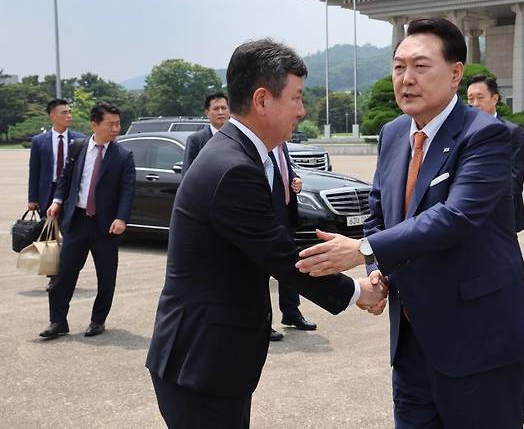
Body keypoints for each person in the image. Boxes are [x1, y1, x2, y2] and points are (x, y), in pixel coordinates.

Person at [296, 18, 524, 428]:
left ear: (455, 73)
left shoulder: (486, 135)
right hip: (412, 343)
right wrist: (378, 275)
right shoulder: (394, 133)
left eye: (420, 66)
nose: (406, 79)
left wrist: (362, 251)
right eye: (398, 67)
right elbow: (379, 212)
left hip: (479, 342)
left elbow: (455, 216)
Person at [145, 39, 387, 428]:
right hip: (201, 363)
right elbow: (280, 255)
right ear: (262, 100)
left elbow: (268, 238)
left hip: (211, 360)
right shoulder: (234, 167)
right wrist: (359, 290)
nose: (302, 110)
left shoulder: (237, 154)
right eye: (296, 98)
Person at [39, 103, 136, 339]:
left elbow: (128, 190)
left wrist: (121, 217)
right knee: (63, 273)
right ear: (94, 124)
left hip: (105, 226)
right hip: (77, 221)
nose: (115, 128)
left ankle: (97, 320)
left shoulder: (123, 156)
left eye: (117, 124)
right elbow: (65, 178)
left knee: (106, 275)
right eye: (110, 124)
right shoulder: (78, 147)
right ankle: (58, 321)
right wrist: (58, 200)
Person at [28, 99, 86, 290]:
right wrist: (32, 199)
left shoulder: (79, 140)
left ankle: (68, 272)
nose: (69, 116)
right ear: (52, 116)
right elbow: (34, 171)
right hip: (48, 191)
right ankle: (53, 276)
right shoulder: (39, 141)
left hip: (70, 193)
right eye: (64, 113)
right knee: (50, 238)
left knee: (70, 235)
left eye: (70, 112)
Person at [268, 142, 316, 342]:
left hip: (286, 216)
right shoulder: (263, 145)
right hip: (268, 218)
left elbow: (285, 170)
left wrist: (295, 179)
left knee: (291, 265)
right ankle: (263, 322)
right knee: (264, 269)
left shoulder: (282, 145)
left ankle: (291, 312)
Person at [467, 75, 524, 232]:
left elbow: (515, 177)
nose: (474, 104)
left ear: (494, 99)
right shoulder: (463, 131)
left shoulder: (511, 132)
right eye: (470, 99)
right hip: (469, 210)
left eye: (480, 98)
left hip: (501, 210)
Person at [182, 92, 231, 174]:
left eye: (224, 108)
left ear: (229, 111)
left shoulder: (238, 137)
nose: (220, 112)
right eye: (216, 109)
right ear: (207, 113)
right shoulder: (195, 140)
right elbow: (188, 173)